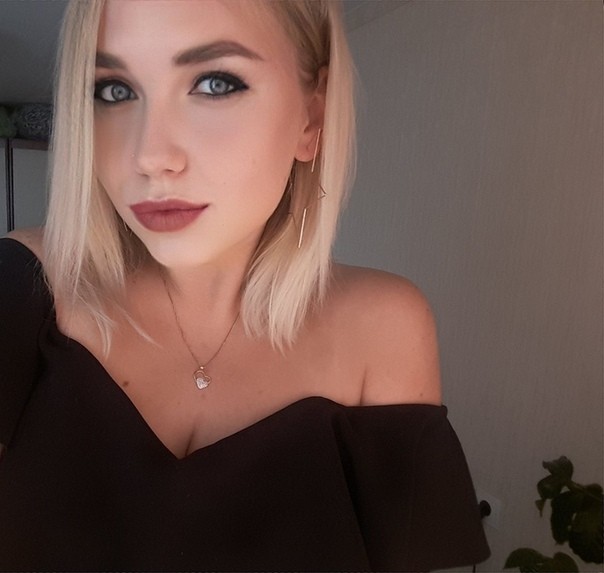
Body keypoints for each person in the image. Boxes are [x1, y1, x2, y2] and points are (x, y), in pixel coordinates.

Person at [0, 0, 489, 570]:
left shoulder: (384, 331)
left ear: (312, 118)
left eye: (215, 83)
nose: (149, 157)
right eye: (113, 90)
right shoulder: (22, 288)